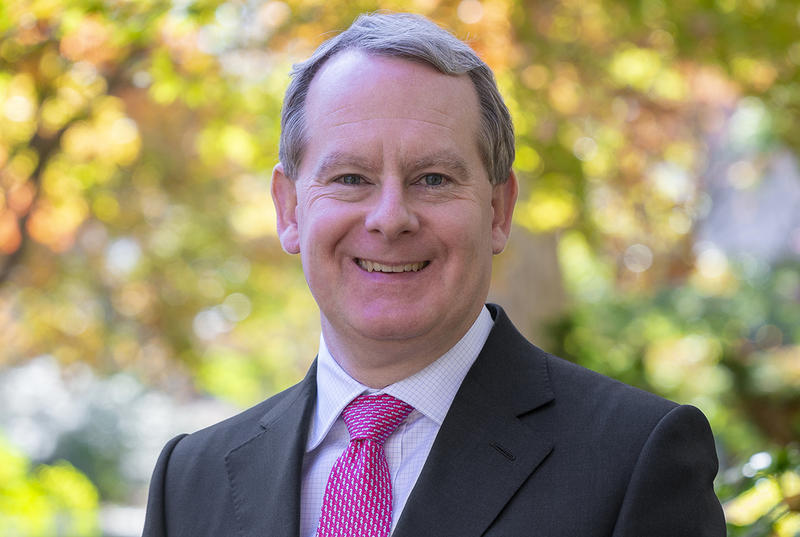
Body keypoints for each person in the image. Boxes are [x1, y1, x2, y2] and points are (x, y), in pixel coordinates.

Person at [142, 12, 726, 537]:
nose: (390, 218)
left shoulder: (634, 458)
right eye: (350, 178)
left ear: (498, 211)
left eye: (433, 179)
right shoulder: (190, 480)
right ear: (290, 209)